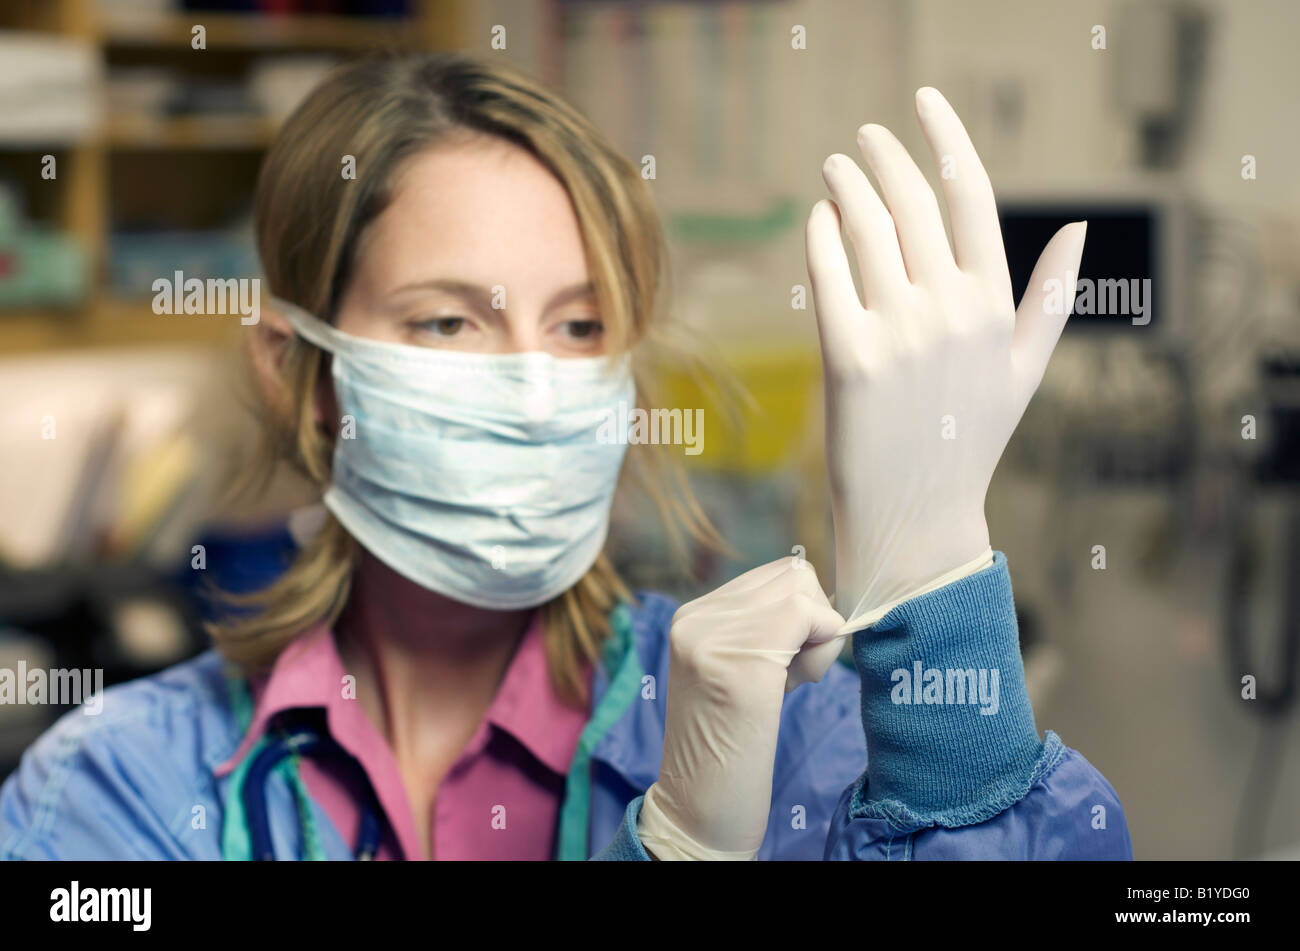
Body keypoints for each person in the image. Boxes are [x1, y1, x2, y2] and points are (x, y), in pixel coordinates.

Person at [0, 53, 1131, 861]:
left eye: (582, 326)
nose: (536, 380)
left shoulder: (791, 729)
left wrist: (933, 570)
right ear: (302, 370)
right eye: (449, 322)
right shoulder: (127, 788)